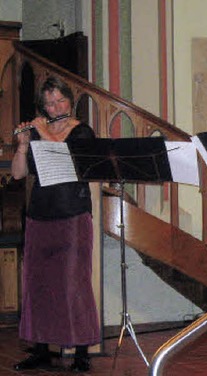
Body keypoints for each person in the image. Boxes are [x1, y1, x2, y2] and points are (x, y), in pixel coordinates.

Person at [11, 76, 100, 372]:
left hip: (72, 215)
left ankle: (81, 352)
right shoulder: (38, 133)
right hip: (39, 215)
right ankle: (40, 348)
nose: (54, 106)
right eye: (48, 102)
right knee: (38, 285)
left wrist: (41, 130)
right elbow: (19, 174)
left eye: (59, 100)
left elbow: (63, 158)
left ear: (69, 102)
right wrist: (23, 145)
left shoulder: (81, 132)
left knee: (73, 284)